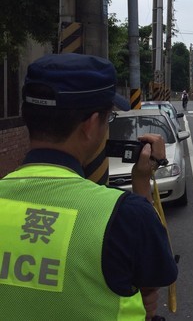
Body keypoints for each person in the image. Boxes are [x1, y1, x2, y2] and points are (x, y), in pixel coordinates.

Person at [0, 53, 177, 320]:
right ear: (91, 125)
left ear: (27, 116)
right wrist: (142, 184)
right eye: (108, 119)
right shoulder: (125, 215)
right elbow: (151, 280)